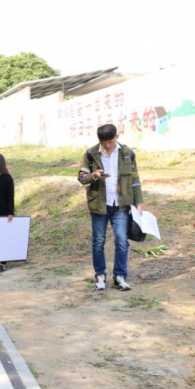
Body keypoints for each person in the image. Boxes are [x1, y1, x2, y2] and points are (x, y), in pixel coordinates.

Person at [78, 123, 145, 291]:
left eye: (110, 141)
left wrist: (139, 202)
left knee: (122, 241)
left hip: (121, 204)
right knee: (98, 242)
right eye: (103, 142)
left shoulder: (127, 153)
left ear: (117, 137)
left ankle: (120, 276)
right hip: (99, 204)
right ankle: (100, 275)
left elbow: (135, 180)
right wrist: (94, 175)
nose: (107, 145)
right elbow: (81, 177)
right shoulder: (91, 153)